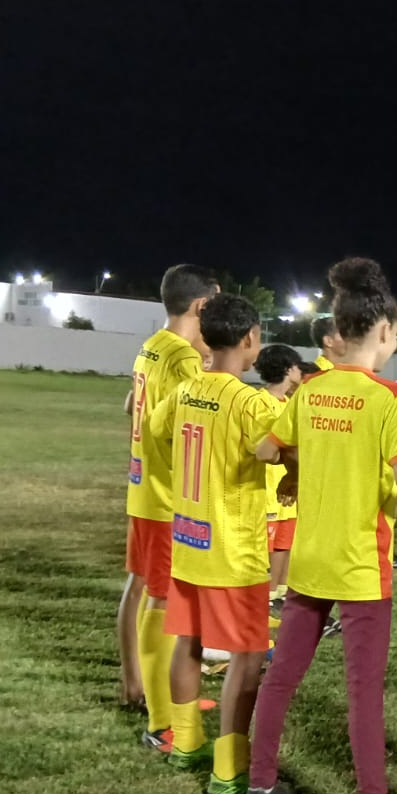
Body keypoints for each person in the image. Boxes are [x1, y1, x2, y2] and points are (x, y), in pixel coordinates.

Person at [246, 258, 397, 794]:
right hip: (362, 565)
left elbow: (266, 449)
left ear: (337, 333)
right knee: (363, 691)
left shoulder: (311, 388)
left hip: (311, 557)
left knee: (282, 676)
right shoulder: (388, 397)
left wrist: (297, 469)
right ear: (387, 334)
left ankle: (260, 787)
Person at [144, 293, 277, 794]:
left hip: (188, 537)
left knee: (189, 641)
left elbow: (155, 434)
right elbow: (282, 450)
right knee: (247, 655)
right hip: (234, 548)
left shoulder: (184, 392)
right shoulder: (253, 403)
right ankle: (228, 768)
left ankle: (185, 742)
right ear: (249, 339)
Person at [122, 264, 220, 749]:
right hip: (166, 497)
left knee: (149, 593)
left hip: (143, 488)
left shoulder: (151, 346)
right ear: (201, 306)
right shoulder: (183, 358)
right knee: (160, 601)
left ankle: (152, 691)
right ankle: (161, 723)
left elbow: (130, 408)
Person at [256, 343, 304, 602]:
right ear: (288, 369)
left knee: (287, 542)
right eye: (297, 367)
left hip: (291, 486)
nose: (301, 373)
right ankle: (267, 595)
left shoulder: (291, 403)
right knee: (270, 546)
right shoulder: (260, 402)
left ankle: (282, 592)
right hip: (269, 486)